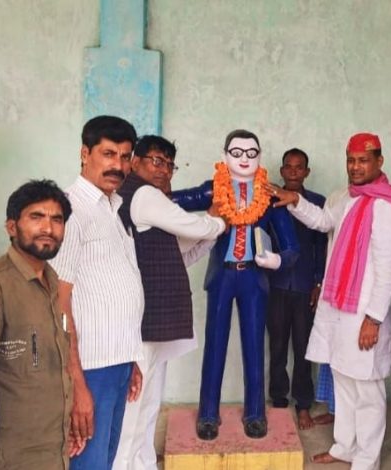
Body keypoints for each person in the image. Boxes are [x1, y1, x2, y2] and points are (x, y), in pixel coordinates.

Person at [270, 132, 391, 468]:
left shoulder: (386, 206)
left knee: (367, 390)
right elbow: (323, 222)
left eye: (363, 160)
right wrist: (295, 200)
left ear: (379, 162)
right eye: (351, 160)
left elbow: (388, 270)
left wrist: (374, 319)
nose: (355, 167)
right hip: (338, 306)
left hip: (363, 312)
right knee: (343, 381)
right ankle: (344, 447)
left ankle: (367, 459)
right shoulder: (342, 196)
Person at [172, 129, 299, 440]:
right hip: (222, 276)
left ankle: (255, 413)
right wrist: (143, 192)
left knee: (254, 346)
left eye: (251, 153)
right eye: (237, 153)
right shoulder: (214, 189)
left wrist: (277, 260)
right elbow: (177, 201)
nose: (244, 159)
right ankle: (208, 414)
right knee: (214, 345)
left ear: (260, 156)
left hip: (254, 277)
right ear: (225, 155)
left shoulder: (269, 195)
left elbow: (292, 247)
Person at [113, 135, 225, 470]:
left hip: (152, 318)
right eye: (157, 161)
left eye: (170, 165)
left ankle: (143, 463)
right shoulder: (143, 194)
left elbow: (178, 251)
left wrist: (212, 230)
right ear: (135, 162)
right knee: (135, 407)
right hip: (142, 317)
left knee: (148, 402)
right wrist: (218, 219)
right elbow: (192, 224)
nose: (164, 170)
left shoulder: (145, 200)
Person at [50, 116, 144, 469]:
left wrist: (130, 357)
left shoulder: (112, 208)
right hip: (89, 367)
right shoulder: (70, 211)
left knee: (104, 460)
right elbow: (59, 301)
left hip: (116, 361)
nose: (117, 165)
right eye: (108, 154)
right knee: (88, 462)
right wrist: (76, 383)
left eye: (124, 156)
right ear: (84, 153)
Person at [0, 180, 78, 469]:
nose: (48, 228)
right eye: (36, 217)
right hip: (12, 455)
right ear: (11, 227)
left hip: (53, 450)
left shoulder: (52, 282)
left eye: (57, 219)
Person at [266, 148, 327, 430]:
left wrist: (318, 281)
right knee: (277, 346)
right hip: (275, 284)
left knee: (304, 348)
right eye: (288, 167)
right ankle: (279, 400)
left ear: (306, 172)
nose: (293, 171)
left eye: (298, 167)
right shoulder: (268, 201)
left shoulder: (316, 203)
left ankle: (303, 404)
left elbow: (321, 245)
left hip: (304, 286)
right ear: (281, 171)